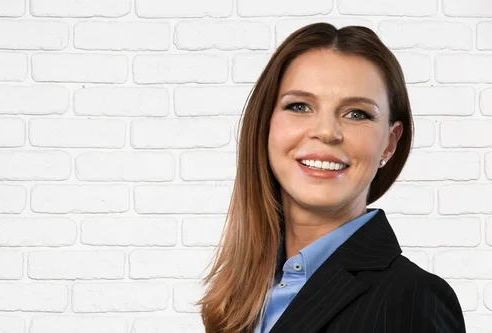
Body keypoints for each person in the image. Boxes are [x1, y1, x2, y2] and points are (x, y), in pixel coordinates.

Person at [196, 22, 466, 333]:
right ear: (266, 124)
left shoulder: (414, 299)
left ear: (389, 143)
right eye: (299, 106)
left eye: (357, 113)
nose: (326, 132)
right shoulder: (240, 295)